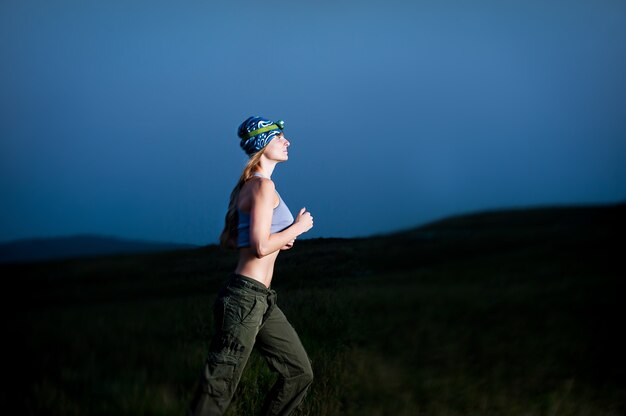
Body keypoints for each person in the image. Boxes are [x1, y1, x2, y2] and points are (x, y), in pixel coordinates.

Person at [187, 116, 315, 416]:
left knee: (299, 373)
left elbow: (229, 239)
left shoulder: (248, 186)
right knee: (219, 386)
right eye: (279, 136)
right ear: (263, 144)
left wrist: (277, 239)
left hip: (261, 300)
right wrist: (296, 228)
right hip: (245, 298)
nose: (287, 141)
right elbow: (257, 247)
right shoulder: (261, 186)